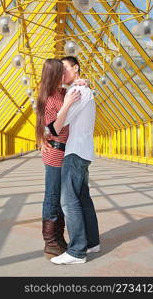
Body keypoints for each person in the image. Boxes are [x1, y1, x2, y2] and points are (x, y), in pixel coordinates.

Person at [50, 56, 100, 265]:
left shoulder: (76, 92)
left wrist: (47, 130)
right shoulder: (85, 90)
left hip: (75, 152)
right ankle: (91, 242)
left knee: (68, 201)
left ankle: (77, 251)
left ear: (76, 68)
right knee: (83, 199)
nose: (62, 75)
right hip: (84, 151)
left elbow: (59, 125)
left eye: (65, 70)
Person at [36, 58, 81, 259]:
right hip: (54, 153)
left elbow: (75, 87)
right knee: (52, 197)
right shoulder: (49, 98)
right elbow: (54, 127)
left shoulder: (60, 93)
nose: (64, 74)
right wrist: (68, 104)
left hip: (63, 152)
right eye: (61, 71)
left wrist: (83, 81)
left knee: (61, 198)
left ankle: (59, 238)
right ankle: (50, 242)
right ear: (54, 74)